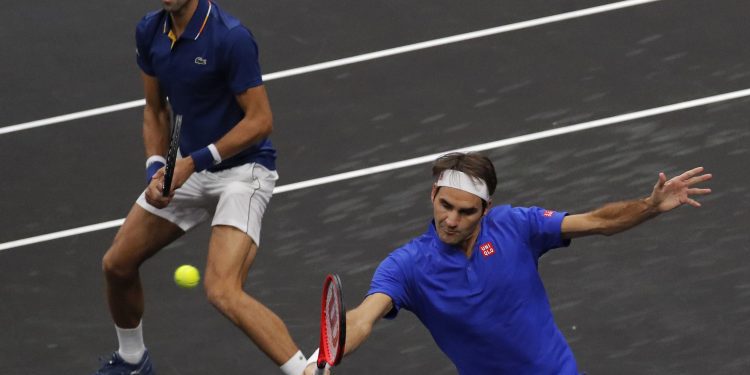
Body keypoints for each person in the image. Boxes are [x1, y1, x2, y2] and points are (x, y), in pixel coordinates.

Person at [304, 152, 712, 374]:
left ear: (486, 209)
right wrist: (327, 352)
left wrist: (651, 206)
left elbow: (599, 222)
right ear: (432, 195)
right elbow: (361, 317)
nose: (451, 219)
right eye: (445, 205)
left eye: (465, 211)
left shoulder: (518, 225)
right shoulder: (407, 266)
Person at [94, 0, 308, 374]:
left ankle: (305, 371)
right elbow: (155, 108)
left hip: (244, 170)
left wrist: (193, 162)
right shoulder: (149, 31)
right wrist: (157, 170)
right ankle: (132, 361)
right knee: (117, 263)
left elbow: (261, 121)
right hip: (188, 168)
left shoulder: (231, 38)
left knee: (222, 290)